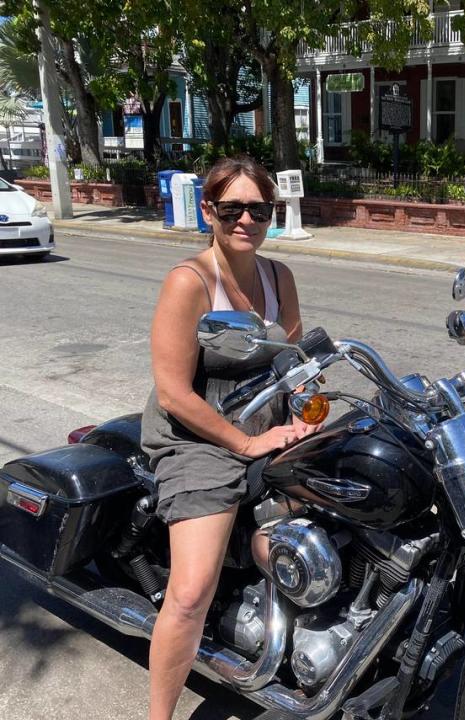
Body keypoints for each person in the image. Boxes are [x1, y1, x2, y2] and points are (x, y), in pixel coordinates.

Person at [140, 156, 318, 720]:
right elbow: (174, 394)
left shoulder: (278, 277)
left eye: (257, 209)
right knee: (190, 593)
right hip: (196, 439)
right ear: (208, 210)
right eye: (231, 207)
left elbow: (294, 364)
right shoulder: (189, 282)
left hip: (263, 426)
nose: (246, 219)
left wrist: (310, 411)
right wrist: (242, 447)